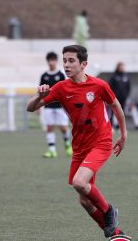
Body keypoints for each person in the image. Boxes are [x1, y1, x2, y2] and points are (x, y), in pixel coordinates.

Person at [27, 45, 129, 239]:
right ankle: (115, 234)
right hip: (80, 146)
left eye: (71, 61)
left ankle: (109, 212)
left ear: (84, 64)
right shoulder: (60, 88)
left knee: (79, 183)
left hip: (101, 142)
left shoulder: (99, 85)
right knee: (84, 201)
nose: (66, 64)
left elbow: (116, 106)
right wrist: (39, 96)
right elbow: (30, 108)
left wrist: (123, 135)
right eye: (64, 60)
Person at [39, 52, 72, 158]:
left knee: (63, 127)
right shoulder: (44, 76)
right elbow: (40, 91)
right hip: (48, 105)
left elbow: (66, 90)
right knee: (49, 127)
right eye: (49, 60)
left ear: (56, 61)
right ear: (47, 61)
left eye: (53, 60)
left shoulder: (61, 74)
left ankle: (67, 144)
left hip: (60, 106)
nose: (51, 62)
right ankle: (52, 150)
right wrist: (38, 106)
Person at [108, 62, 130, 128]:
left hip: (123, 98)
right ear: (117, 67)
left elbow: (128, 87)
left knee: (122, 112)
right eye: (120, 66)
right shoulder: (113, 76)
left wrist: (126, 96)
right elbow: (109, 86)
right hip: (114, 98)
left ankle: (120, 126)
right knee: (112, 112)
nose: (121, 68)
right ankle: (111, 125)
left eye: (122, 66)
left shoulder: (125, 77)